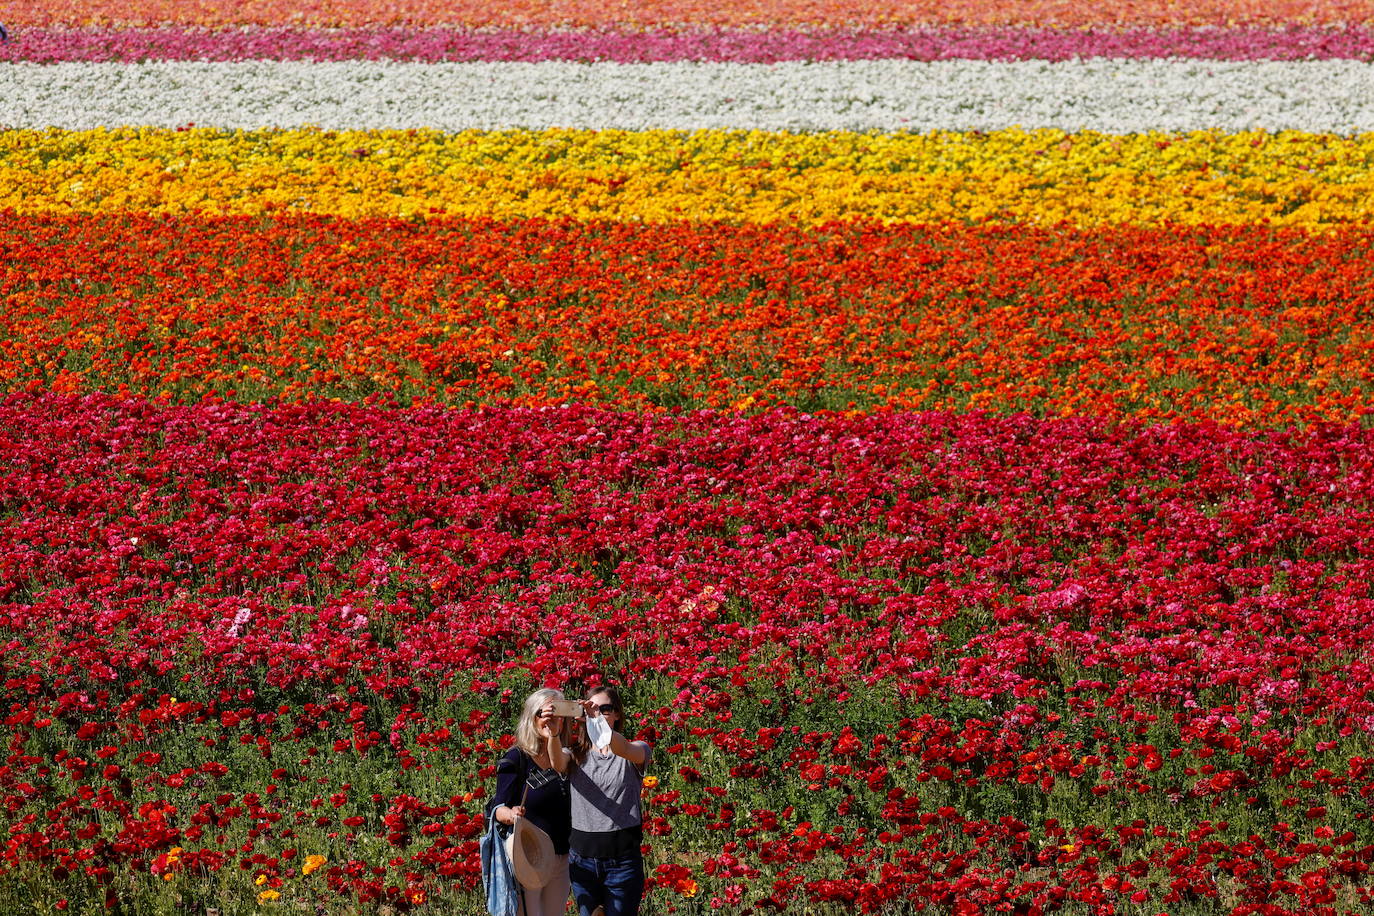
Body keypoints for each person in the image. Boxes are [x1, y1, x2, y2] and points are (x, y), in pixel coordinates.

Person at [491, 688, 576, 916]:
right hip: (530, 856)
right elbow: (498, 808)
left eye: (557, 713)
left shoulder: (568, 757)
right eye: (543, 714)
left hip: (562, 855)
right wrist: (512, 814)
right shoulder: (516, 758)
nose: (550, 720)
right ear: (531, 718)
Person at [569, 686, 653, 916]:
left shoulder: (635, 750)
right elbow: (554, 761)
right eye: (592, 709)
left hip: (622, 861)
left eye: (605, 709)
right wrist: (554, 729)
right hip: (582, 859)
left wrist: (597, 723)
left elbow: (623, 747)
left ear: (617, 713)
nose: (598, 713)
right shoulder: (575, 754)